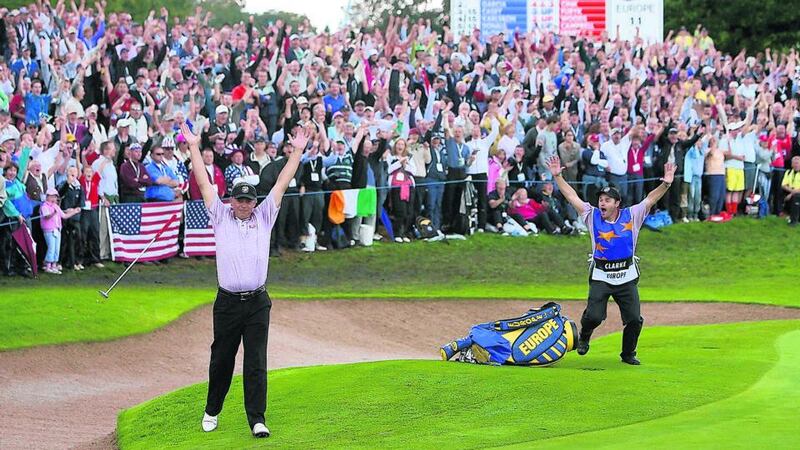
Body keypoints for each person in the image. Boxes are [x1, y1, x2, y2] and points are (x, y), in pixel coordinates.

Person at [184, 122, 310, 438]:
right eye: (239, 200)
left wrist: (296, 151)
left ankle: (257, 418)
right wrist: (194, 147)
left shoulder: (264, 217)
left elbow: (282, 183)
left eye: (248, 200)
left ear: (254, 202)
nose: (243, 205)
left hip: (257, 302)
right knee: (222, 361)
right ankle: (212, 411)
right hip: (227, 302)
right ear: (231, 201)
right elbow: (203, 182)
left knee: (256, 362)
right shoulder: (220, 216)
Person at [546, 155, 677, 365]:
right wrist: (558, 176)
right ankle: (585, 336)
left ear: (617, 203)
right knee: (595, 316)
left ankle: (628, 355)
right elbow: (571, 196)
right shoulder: (591, 215)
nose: (602, 203)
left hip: (626, 275)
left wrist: (666, 183)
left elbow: (651, 199)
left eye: (607, 200)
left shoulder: (632, 215)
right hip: (601, 275)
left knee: (634, 319)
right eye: (601, 199)